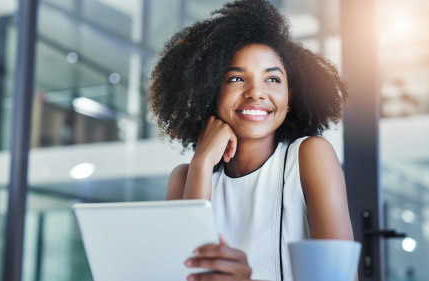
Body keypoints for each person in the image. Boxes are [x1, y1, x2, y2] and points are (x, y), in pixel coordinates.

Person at [148, 0, 354, 280]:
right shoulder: (186, 177)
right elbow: (184, 273)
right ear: (210, 92)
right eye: (236, 79)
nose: (256, 93)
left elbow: (341, 278)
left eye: (272, 80)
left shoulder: (309, 156)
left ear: (289, 97)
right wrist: (202, 162)